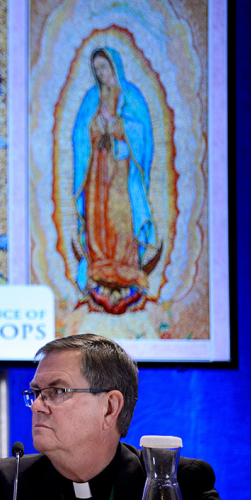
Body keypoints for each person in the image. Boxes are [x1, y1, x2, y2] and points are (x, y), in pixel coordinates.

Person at [0, 334, 233, 500]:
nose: (37, 405)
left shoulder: (171, 481)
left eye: (57, 391)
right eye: (36, 392)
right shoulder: (11, 484)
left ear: (109, 408)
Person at [72, 48, 156, 314]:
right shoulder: (91, 98)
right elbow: (80, 133)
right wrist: (96, 127)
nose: (100, 74)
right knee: (98, 216)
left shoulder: (130, 96)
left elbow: (143, 131)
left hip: (121, 169)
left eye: (104, 68)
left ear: (114, 67)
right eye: (96, 69)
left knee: (121, 216)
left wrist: (120, 126)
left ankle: (126, 263)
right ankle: (99, 260)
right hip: (96, 170)